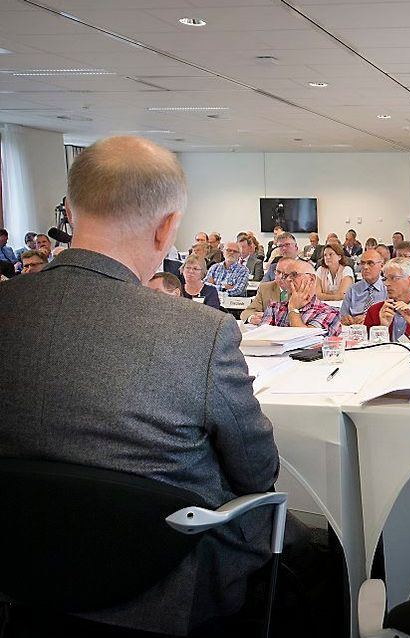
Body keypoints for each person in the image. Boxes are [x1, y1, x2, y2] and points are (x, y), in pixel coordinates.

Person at [0, 135, 282, 635]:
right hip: (171, 581)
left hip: (20, 570)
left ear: (69, 209)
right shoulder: (199, 331)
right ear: (167, 227)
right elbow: (257, 471)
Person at [260, 258, 342, 334]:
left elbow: (305, 339)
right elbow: (261, 337)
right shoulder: (274, 307)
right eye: (285, 276)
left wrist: (293, 309)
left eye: (294, 275)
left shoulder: (329, 313)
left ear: (311, 279)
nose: (288, 279)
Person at [365, 257, 410, 343]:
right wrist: (382, 327)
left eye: (393, 278)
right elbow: (366, 348)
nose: (386, 284)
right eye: (385, 279)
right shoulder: (374, 311)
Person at [339, 247, 387, 325]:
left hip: (379, 330)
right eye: (362, 263)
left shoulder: (388, 289)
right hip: (355, 330)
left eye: (370, 263)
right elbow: (343, 315)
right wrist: (347, 319)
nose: (365, 267)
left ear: (381, 266)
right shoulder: (353, 289)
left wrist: (369, 319)